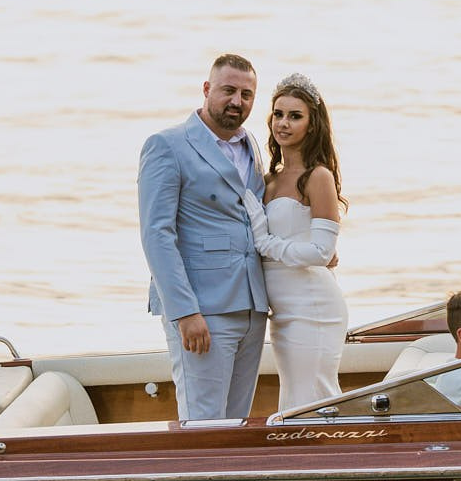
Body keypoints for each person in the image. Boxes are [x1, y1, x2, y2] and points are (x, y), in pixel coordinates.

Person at [138, 54, 269, 426]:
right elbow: (156, 234)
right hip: (203, 311)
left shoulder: (251, 146)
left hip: (252, 306)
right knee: (204, 424)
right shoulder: (167, 146)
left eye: (246, 94)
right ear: (207, 89)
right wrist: (184, 312)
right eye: (228, 90)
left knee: (238, 423)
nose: (237, 101)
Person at [240, 73, 348, 415]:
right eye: (278, 114)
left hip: (312, 306)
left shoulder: (318, 177)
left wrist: (266, 243)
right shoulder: (266, 179)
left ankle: (327, 462)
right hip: (281, 309)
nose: (283, 123)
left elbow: (322, 252)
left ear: (312, 125)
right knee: (294, 395)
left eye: (295, 116)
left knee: (312, 398)